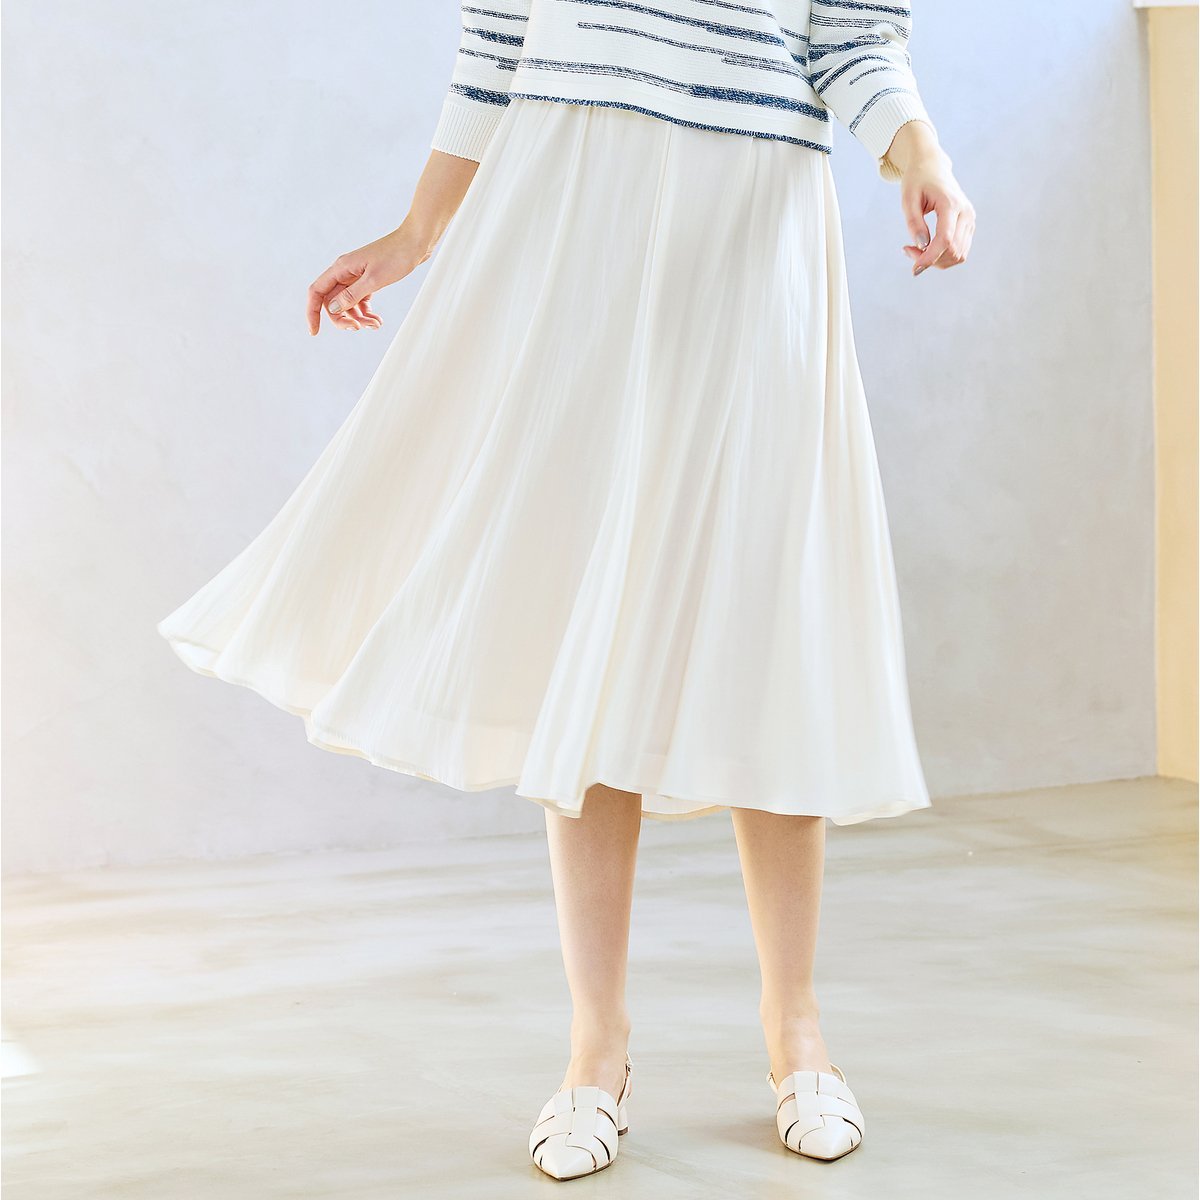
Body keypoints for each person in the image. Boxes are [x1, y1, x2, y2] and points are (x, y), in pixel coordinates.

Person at [157, 0, 973, 1181]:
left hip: (752, 232)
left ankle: (796, 1029)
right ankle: (597, 1050)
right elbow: (499, 36)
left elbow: (852, 36)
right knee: (588, 614)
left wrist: (923, 156)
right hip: (575, 221)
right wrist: (418, 231)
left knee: (766, 618)